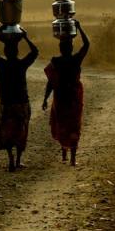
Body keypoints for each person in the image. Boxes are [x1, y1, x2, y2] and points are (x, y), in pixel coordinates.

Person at [0, 27, 39, 172]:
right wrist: (25, 37)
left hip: (7, 103)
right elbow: (35, 52)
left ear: (5, 52)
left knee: (7, 131)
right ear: (17, 52)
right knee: (21, 131)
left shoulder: (2, 65)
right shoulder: (22, 64)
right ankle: (18, 160)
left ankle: (10, 158)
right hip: (22, 102)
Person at [42, 21, 89, 166]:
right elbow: (86, 45)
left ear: (60, 48)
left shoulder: (55, 62)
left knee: (62, 124)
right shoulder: (76, 59)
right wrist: (80, 28)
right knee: (74, 125)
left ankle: (64, 153)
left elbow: (50, 82)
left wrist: (45, 98)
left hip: (61, 97)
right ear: (71, 47)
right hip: (74, 97)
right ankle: (73, 158)